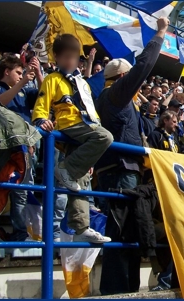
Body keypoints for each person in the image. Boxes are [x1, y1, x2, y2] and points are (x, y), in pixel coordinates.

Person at [96, 17, 169, 296]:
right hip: (118, 174)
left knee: (128, 238)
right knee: (120, 238)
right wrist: (160, 33)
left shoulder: (122, 101)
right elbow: (144, 66)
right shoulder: (114, 95)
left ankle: (123, 291)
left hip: (125, 174)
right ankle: (115, 294)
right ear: (124, 79)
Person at [32, 34, 113, 243]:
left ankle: (81, 226)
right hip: (69, 125)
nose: (70, 61)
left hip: (86, 128)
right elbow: (42, 104)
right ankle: (66, 169)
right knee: (106, 137)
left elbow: (91, 110)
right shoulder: (52, 79)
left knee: (80, 179)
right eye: (66, 57)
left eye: (74, 57)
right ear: (57, 57)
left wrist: (90, 157)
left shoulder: (82, 82)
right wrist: (41, 120)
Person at [0, 54, 43, 241]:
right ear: (6, 71)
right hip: (0, 148)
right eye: (18, 72)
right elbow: (0, 101)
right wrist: (23, 82)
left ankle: (20, 233)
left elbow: (44, 95)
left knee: (21, 192)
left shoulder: (23, 93)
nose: (21, 76)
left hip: (23, 150)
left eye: (22, 73)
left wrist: (37, 73)